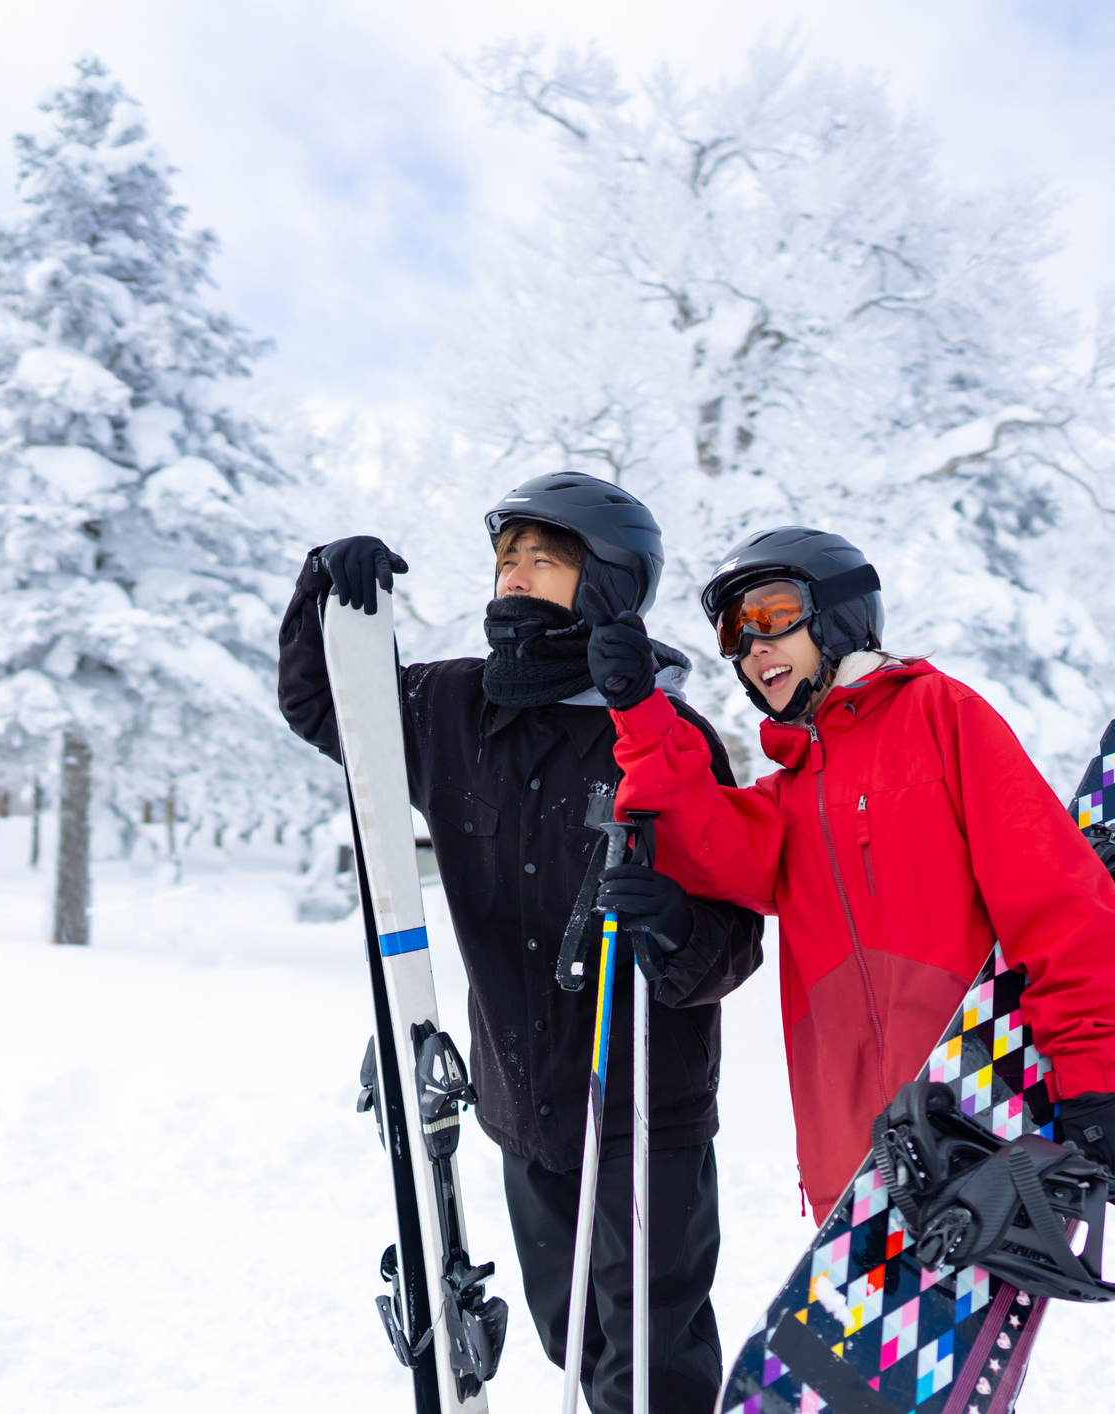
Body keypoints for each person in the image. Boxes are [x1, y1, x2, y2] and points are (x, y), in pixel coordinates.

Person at [278, 473, 765, 1414]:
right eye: (507, 558)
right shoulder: (452, 709)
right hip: (520, 1100)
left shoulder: (669, 738)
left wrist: (671, 921)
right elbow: (330, 710)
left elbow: (733, 945)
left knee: (653, 1357)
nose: (514, 575)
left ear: (610, 585)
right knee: (571, 1336)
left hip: (639, 1108)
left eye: (545, 559)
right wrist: (324, 596)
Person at [580, 525, 1115, 1224]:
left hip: (975, 1108)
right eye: (735, 632)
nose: (753, 646)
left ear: (839, 613)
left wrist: (1090, 1075)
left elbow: (1052, 893)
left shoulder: (939, 715)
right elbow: (704, 836)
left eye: (772, 615)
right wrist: (638, 710)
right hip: (850, 1160)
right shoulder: (791, 788)